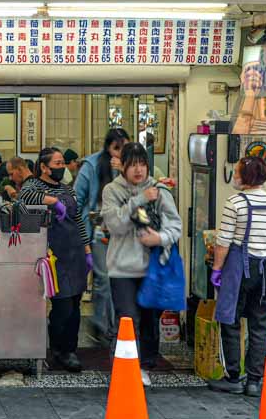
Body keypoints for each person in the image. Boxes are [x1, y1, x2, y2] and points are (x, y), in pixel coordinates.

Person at [101, 142, 182, 385]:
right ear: (122, 166)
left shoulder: (159, 190)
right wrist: (138, 200)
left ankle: (144, 365)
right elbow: (115, 225)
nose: (138, 170)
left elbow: (175, 225)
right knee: (127, 318)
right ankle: (125, 365)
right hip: (122, 268)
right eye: (133, 165)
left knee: (149, 320)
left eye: (142, 164)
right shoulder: (112, 191)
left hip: (152, 268)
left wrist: (160, 238)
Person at [208, 156, 266, 397]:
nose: (235, 176)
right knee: (259, 325)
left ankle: (232, 376)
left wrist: (217, 269)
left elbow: (223, 242)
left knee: (230, 320)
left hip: (240, 269)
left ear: (246, 177)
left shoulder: (235, 203)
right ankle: (253, 380)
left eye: (238, 172)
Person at [19, 148, 92, 372]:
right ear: (44, 167)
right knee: (62, 306)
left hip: (75, 253)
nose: (61, 167)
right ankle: (59, 350)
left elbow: (78, 219)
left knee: (75, 304)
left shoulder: (67, 189)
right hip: (54, 255)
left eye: (62, 163)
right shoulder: (33, 185)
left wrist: (87, 250)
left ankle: (70, 349)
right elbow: (25, 197)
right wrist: (52, 201)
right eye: (57, 163)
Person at [74, 127, 131, 342]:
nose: (120, 153)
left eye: (124, 147)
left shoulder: (131, 165)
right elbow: (78, 199)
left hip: (126, 232)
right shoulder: (91, 165)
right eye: (117, 148)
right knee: (104, 279)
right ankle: (103, 325)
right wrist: (82, 234)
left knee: (123, 279)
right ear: (108, 147)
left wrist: (124, 170)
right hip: (100, 232)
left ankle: (119, 325)